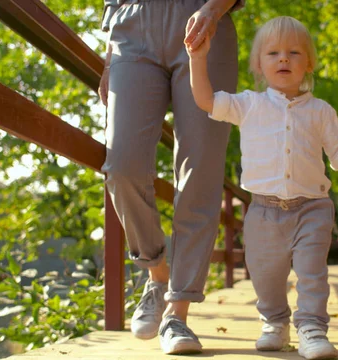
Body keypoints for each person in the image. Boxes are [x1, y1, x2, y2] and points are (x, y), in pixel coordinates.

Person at [187, 16, 338, 360]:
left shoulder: (321, 111)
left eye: (294, 52)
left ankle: (312, 328)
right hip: (263, 211)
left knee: (311, 272)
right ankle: (275, 322)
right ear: (259, 65)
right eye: (273, 53)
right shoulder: (247, 104)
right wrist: (197, 59)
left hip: (313, 208)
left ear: (309, 64)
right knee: (265, 275)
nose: (284, 59)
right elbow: (204, 100)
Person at [98, 0, 243, 355]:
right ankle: (157, 274)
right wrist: (107, 60)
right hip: (130, 27)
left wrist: (213, 10)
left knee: (200, 173)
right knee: (122, 167)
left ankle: (178, 312)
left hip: (205, 16)